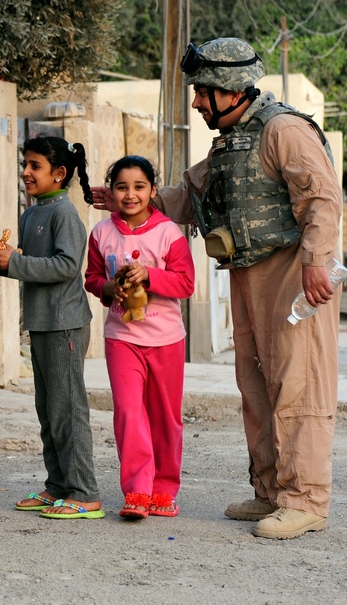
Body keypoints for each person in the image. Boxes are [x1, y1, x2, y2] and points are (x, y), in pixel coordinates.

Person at [93, 37, 343, 540]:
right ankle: (270, 492)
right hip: (248, 274)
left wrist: (317, 262)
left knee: (299, 383)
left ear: (229, 90)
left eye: (203, 91)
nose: (195, 102)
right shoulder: (232, 140)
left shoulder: (284, 130)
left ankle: (306, 500)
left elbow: (321, 198)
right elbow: (188, 197)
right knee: (256, 386)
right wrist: (132, 201)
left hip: (292, 272)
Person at [0, 135, 104, 520]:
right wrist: (0, 262)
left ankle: (84, 493)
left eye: (35, 166)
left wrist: (15, 264)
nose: (26, 172)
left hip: (65, 325)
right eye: (26, 164)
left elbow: (67, 266)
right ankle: (57, 487)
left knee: (68, 410)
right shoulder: (32, 213)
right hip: (41, 323)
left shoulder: (64, 213)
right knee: (48, 411)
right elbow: (33, 265)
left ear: (60, 173)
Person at [84, 156, 194, 520]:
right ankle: (137, 491)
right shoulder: (101, 233)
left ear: (153, 191)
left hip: (166, 340)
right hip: (121, 338)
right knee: (129, 412)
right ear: (111, 192)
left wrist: (149, 275)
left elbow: (186, 283)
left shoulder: (168, 233)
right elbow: (92, 279)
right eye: (121, 187)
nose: (130, 194)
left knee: (164, 417)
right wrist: (108, 287)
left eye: (139, 187)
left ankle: (163, 491)